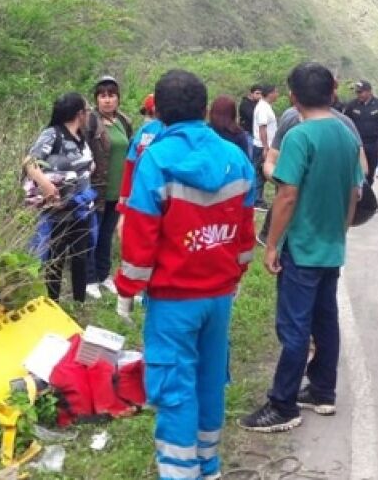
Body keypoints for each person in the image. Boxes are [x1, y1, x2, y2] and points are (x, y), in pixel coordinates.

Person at [113, 70, 256, 480]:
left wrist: (127, 289)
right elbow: (245, 234)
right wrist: (235, 276)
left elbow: (140, 237)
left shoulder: (156, 159)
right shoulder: (235, 157)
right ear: (204, 108)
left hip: (174, 300)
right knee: (209, 380)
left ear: (157, 110)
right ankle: (208, 466)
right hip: (219, 297)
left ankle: (179, 472)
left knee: (174, 387)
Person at [238, 62, 362, 433]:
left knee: (294, 327)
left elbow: (287, 194)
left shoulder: (299, 136)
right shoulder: (346, 135)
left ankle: (283, 404)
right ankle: (322, 390)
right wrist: (340, 230)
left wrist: (272, 244)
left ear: (293, 97)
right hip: (330, 245)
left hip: (303, 246)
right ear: (332, 93)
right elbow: (354, 192)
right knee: (325, 320)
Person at [257, 95, 368, 245]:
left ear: (294, 97)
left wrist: (287, 182)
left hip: (300, 224)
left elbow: (272, 166)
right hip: (328, 224)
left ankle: (268, 237)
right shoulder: (345, 126)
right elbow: (362, 171)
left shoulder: (294, 127)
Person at [24, 92, 96, 303]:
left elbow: (84, 163)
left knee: (80, 257)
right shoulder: (53, 134)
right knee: (56, 258)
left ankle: (79, 302)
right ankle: (52, 302)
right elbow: (29, 162)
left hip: (81, 208)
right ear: (79, 114)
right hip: (59, 211)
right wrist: (46, 184)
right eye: (87, 110)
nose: (89, 114)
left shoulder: (81, 137)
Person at [83, 76, 134, 299]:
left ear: (118, 98)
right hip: (97, 188)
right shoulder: (90, 122)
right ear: (96, 99)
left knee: (106, 235)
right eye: (102, 96)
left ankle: (104, 275)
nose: (107, 100)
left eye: (111, 95)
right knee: (91, 235)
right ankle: (89, 278)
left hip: (118, 190)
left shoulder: (123, 121)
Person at [343, 80, 378, 184]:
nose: (358, 94)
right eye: (357, 92)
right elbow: (345, 122)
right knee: (356, 172)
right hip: (357, 143)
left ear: (369, 91)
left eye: (360, 92)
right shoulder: (352, 105)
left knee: (370, 173)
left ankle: (367, 190)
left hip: (373, 144)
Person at [252, 84, 279, 210]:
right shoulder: (263, 108)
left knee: (262, 173)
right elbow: (262, 128)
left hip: (266, 145)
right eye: (276, 92)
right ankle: (256, 200)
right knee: (260, 172)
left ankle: (258, 198)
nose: (277, 94)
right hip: (261, 145)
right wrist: (265, 147)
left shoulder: (266, 106)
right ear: (270, 93)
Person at [238, 84, 261, 148]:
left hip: (255, 133)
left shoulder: (257, 103)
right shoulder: (245, 104)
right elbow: (251, 116)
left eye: (261, 94)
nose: (259, 96)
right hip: (247, 133)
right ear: (251, 93)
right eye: (257, 93)